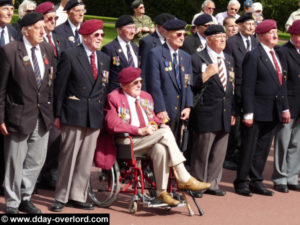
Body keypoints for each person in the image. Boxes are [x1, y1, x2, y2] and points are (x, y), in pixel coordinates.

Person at [94, 67, 211, 206]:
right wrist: (139, 130)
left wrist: (160, 124)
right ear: (124, 85)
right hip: (126, 141)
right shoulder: (114, 97)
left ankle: (161, 192)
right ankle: (183, 176)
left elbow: (152, 117)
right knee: (165, 134)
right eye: (135, 82)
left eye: (140, 81)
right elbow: (112, 124)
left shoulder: (145, 96)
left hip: (147, 140)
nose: (139, 85)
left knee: (161, 147)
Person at [50, 19, 110, 212]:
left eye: (101, 35)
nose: (100, 38)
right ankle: (61, 197)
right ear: (85, 37)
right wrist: (57, 114)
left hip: (93, 115)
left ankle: (77, 195)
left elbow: (103, 87)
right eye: (96, 35)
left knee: (85, 160)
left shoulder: (103, 58)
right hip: (73, 113)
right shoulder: (70, 55)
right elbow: (60, 88)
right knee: (68, 158)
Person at [0, 12, 55, 214]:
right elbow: (1, 88)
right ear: (26, 30)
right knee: (15, 161)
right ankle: (12, 203)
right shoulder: (9, 51)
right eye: (38, 27)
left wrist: (52, 113)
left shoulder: (47, 49)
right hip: (18, 116)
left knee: (36, 161)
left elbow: (50, 85)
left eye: (44, 27)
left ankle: (25, 197)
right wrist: (1, 118)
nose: (43, 31)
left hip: (43, 116)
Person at [234, 20, 290, 197]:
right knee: (249, 147)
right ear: (261, 35)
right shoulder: (254, 55)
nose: (275, 35)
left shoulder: (278, 54)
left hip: (273, 109)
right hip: (256, 110)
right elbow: (247, 86)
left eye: (275, 31)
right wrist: (248, 112)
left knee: (264, 148)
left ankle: (256, 181)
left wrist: (284, 108)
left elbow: (282, 84)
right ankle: (241, 181)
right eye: (271, 32)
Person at [189, 25, 236, 197]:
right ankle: (197, 184)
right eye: (219, 36)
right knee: (202, 150)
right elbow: (191, 83)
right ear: (208, 39)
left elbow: (232, 86)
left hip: (225, 111)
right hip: (206, 111)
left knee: (219, 151)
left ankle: (212, 183)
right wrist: (206, 74)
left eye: (225, 36)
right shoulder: (197, 58)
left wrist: (233, 112)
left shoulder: (229, 59)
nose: (223, 39)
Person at [34, 1, 67, 191]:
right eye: (49, 18)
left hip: (56, 95)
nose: (53, 21)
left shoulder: (58, 39)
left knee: (56, 137)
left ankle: (46, 173)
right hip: (40, 97)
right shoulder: (38, 40)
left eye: (55, 18)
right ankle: (34, 178)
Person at [146, 18, 193, 143]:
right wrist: (160, 109)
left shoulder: (186, 57)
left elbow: (188, 83)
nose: (182, 37)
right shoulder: (155, 54)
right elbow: (154, 84)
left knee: (177, 144)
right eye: (178, 34)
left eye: (184, 34)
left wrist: (188, 105)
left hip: (181, 110)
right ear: (167, 34)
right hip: (164, 110)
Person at [223, 13, 259, 170]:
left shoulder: (256, 42)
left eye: (253, 24)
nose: (252, 27)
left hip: (253, 90)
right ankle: (230, 155)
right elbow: (229, 66)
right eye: (248, 24)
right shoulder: (231, 42)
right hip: (236, 88)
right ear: (240, 25)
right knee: (235, 124)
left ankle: (241, 154)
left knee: (248, 124)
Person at [272, 20, 300, 193]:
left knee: (297, 143)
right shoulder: (283, 51)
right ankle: (280, 177)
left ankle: (292, 176)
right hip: (288, 104)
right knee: (283, 142)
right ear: (292, 35)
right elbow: (280, 82)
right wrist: (284, 107)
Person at [0, 0, 19, 197]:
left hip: (7, 94)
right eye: (5, 8)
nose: (9, 12)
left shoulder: (13, 33)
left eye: (12, 9)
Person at [102, 15, 139, 93]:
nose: (133, 31)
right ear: (119, 30)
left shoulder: (135, 48)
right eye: (129, 28)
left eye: (133, 28)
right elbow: (104, 75)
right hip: (117, 93)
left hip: (134, 92)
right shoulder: (109, 48)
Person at [139, 13, 175, 85]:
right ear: (159, 27)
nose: (171, 31)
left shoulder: (172, 40)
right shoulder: (148, 42)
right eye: (168, 28)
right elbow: (144, 68)